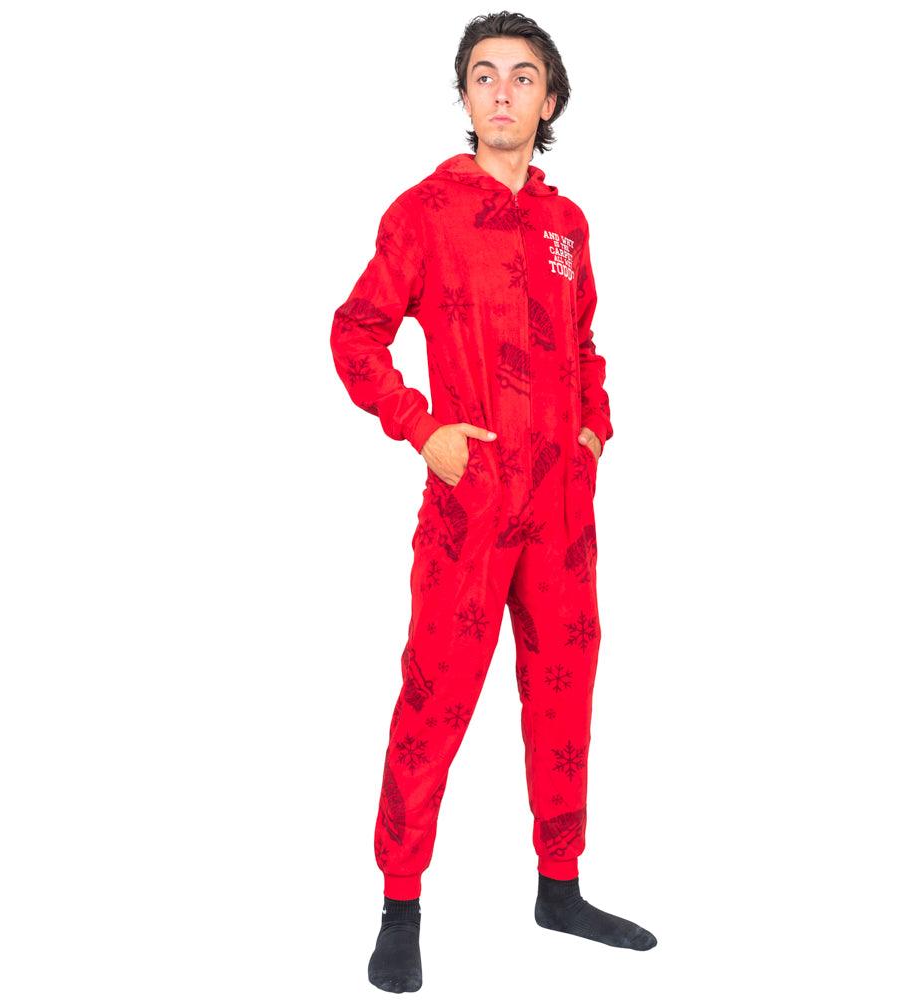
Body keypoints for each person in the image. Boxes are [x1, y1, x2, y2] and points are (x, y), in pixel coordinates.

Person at [330, 13, 657, 992]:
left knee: (563, 689)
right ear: (465, 96)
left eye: (522, 76)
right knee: (434, 699)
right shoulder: (425, 213)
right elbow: (356, 333)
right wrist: (421, 428)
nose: (503, 91)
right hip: (470, 505)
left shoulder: (567, 226)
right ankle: (399, 904)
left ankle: (561, 887)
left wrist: (595, 430)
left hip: (563, 512)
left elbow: (587, 345)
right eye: (484, 75)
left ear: (549, 100)